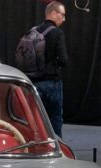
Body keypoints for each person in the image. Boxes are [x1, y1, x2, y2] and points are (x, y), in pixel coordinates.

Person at [27, 1, 68, 137]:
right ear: (54, 13)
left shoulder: (33, 31)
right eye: (62, 15)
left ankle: (36, 142)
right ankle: (56, 144)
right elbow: (63, 60)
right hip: (52, 82)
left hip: (33, 82)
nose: (64, 19)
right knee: (55, 116)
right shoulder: (57, 33)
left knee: (35, 117)